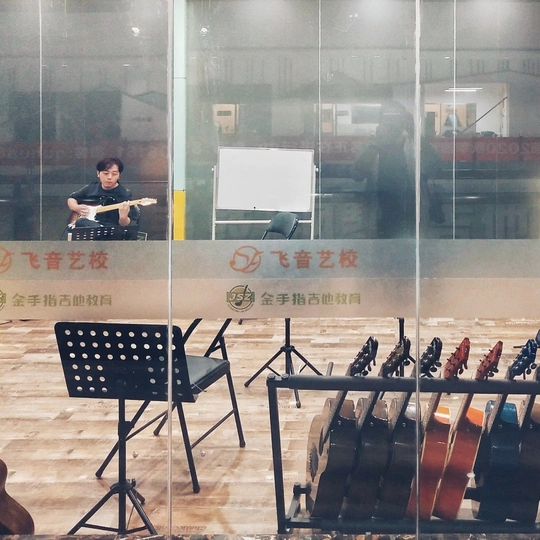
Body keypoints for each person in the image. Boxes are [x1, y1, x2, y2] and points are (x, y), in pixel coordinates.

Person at [67, 157, 140, 229]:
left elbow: (125, 224)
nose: (109, 177)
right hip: (88, 227)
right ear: (98, 173)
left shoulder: (124, 194)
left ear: (119, 175)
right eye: (106, 173)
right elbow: (72, 199)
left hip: (110, 230)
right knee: (81, 222)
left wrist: (123, 217)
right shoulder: (92, 187)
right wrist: (76, 208)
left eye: (114, 174)